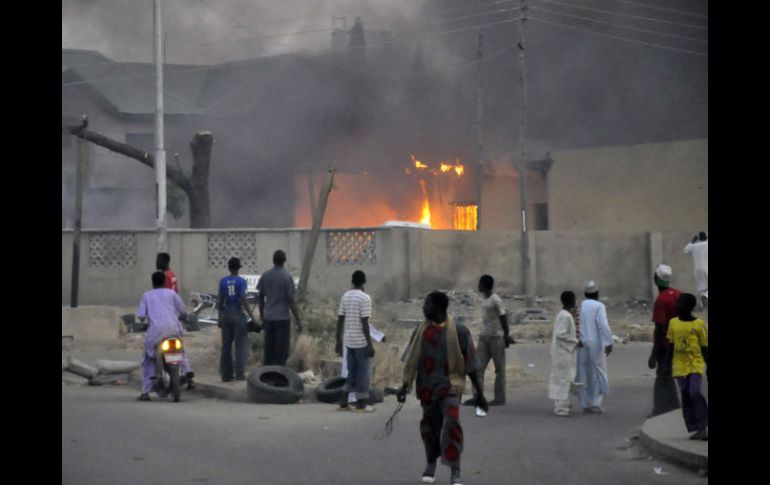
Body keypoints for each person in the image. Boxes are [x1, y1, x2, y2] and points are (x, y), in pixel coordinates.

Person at [397, 291, 489, 485]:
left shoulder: (460, 331)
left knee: (452, 425)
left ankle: (455, 469)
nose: (423, 308)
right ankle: (431, 463)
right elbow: (411, 362)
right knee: (430, 429)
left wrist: (479, 394)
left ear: (439, 308)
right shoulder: (420, 330)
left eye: (427, 304)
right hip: (427, 389)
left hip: (451, 387)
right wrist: (404, 386)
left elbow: (471, 366)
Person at [135, 271, 194, 400]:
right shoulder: (172, 294)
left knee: (148, 358)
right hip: (174, 329)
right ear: (164, 282)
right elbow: (183, 311)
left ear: (153, 282)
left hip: (156, 332)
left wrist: (144, 322)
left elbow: (140, 316)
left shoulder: (147, 296)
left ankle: (145, 392)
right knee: (181, 350)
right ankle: (187, 371)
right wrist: (182, 317)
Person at [463, 274, 514, 407]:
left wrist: (506, 335)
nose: (478, 286)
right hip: (484, 337)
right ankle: (477, 396)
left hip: (496, 338)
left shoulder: (495, 300)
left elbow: (503, 318)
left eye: (480, 284)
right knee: (477, 367)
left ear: (484, 285)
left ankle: (499, 397)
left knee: (499, 369)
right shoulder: (484, 299)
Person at [666, 293, 708, 440]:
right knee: (685, 394)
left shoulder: (699, 324)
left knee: (694, 392)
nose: (677, 306)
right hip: (679, 365)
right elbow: (671, 346)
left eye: (680, 303)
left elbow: (704, 347)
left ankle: (703, 426)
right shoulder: (673, 323)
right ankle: (695, 427)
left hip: (695, 363)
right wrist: (667, 364)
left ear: (689, 307)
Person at [335, 270, 376, 412]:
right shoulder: (365, 298)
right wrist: (370, 344)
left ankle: (343, 401)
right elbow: (364, 322)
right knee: (363, 373)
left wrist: (338, 342)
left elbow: (340, 320)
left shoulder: (345, 296)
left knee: (352, 372)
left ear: (352, 281)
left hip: (348, 341)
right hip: (361, 342)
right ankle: (361, 404)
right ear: (364, 282)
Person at [647, 264, 682, 417]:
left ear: (656, 279)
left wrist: (654, 354)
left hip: (665, 345)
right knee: (668, 375)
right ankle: (673, 405)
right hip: (679, 341)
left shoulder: (661, 300)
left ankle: (659, 410)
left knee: (662, 376)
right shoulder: (678, 294)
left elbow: (660, 328)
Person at [257, 250, 303, 366]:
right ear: (284, 261)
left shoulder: (265, 276)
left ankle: (267, 377)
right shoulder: (287, 277)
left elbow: (260, 297)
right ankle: (279, 377)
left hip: (269, 318)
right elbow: (291, 301)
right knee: (281, 351)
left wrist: (262, 316)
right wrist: (298, 320)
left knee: (269, 349)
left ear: (273, 261)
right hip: (282, 319)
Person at [574, 281, 613, 414]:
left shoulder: (581, 305)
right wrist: (609, 342)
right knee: (599, 371)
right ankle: (596, 403)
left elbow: (577, 322)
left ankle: (585, 404)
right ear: (597, 293)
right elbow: (603, 324)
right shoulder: (599, 306)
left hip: (582, 341)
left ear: (585, 294)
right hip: (596, 342)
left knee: (583, 372)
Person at [218, 257, 256, 382]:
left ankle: (226, 375)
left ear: (229, 268)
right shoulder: (241, 281)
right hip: (237, 313)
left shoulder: (223, 281)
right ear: (239, 267)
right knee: (240, 345)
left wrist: (220, 317)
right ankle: (239, 374)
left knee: (226, 346)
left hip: (226, 313)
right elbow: (243, 299)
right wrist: (251, 315)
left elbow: (220, 300)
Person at [549, 291, 581, 417]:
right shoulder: (566, 316)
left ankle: (562, 403)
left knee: (563, 379)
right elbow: (560, 335)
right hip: (563, 353)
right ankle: (561, 408)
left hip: (562, 352)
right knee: (564, 379)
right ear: (571, 301)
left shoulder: (563, 314)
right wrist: (576, 342)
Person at [683, 232, 708, 308]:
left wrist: (692, 241)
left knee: (702, 287)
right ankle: (706, 296)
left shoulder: (694, 246)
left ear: (698, 238)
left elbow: (685, 250)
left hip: (698, 269)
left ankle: (705, 298)